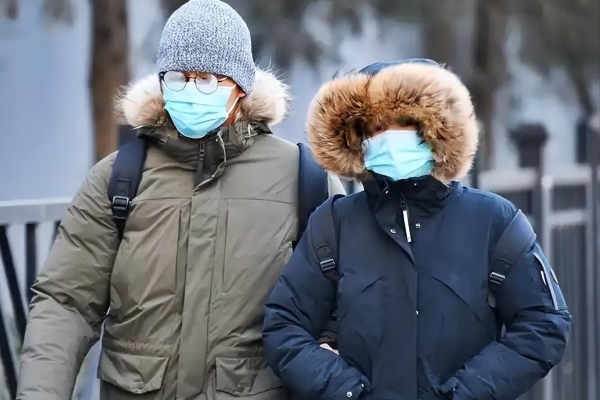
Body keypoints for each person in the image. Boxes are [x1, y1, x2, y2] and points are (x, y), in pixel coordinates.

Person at [16, 1, 344, 399]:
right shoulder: (120, 177)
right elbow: (66, 301)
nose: (189, 90)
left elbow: (345, 300)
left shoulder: (303, 179)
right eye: (177, 78)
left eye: (206, 79)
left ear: (240, 87)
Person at [263, 59, 572, 400]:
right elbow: (284, 326)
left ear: (435, 129)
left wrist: (468, 392)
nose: (389, 136)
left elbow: (543, 323)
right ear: (359, 137)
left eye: (405, 122)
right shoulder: (334, 224)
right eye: (377, 126)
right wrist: (345, 390)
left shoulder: (494, 221)